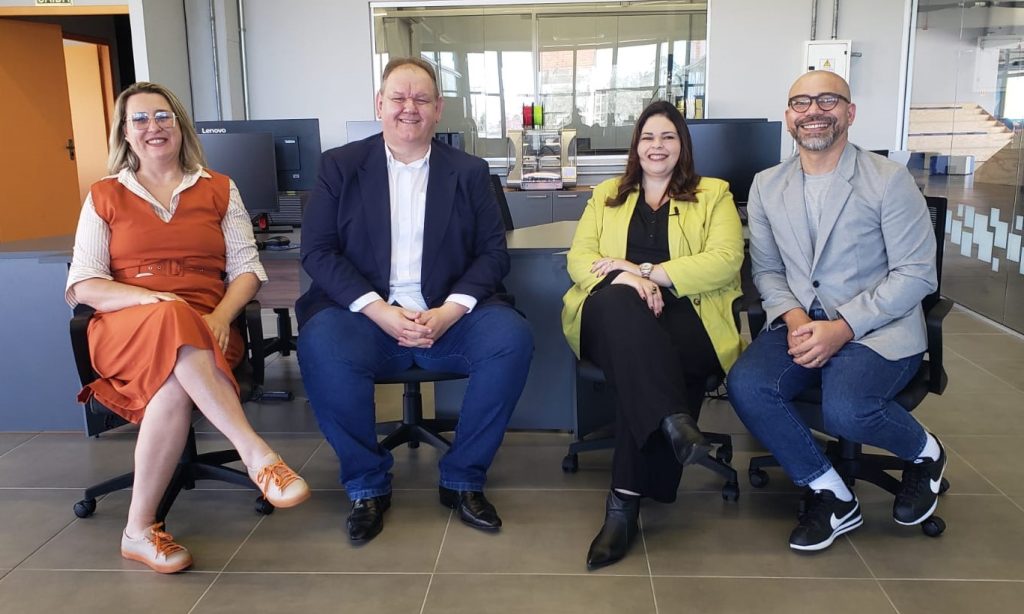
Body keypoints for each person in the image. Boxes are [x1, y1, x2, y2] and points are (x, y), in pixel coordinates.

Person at [66, 82, 310, 574]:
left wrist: (220, 317)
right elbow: (84, 285)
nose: (153, 127)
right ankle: (256, 454)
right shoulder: (104, 196)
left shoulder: (219, 188)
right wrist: (150, 299)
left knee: (175, 379)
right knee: (172, 315)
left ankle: (138, 531)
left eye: (163, 116)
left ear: (179, 125)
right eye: (140, 119)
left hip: (207, 331)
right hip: (125, 329)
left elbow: (247, 270)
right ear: (125, 133)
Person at [297, 57, 533, 544]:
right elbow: (318, 252)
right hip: (365, 318)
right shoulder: (340, 166)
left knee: (511, 337)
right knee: (322, 342)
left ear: (438, 109)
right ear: (379, 104)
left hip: (448, 316)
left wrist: (449, 311)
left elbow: (493, 254)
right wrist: (379, 310)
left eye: (421, 99)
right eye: (399, 98)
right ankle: (366, 485)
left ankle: (463, 478)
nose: (410, 107)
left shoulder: (469, 172)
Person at [726, 70, 944, 552]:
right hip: (802, 322)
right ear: (789, 117)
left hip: (877, 327)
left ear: (849, 112)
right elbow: (767, 271)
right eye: (801, 103)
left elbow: (916, 274)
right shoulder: (766, 185)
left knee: (845, 410)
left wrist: (843, 328)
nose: (813, 111)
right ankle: (831, 492)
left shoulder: (888, 180)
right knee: (747, 385)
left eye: (827, 100)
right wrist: (796, 319)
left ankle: (926, 452)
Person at [561, 100, 745, 570]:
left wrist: (647, 272)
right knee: (623, 311)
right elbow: (580, 259)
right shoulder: (607, 194)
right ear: (636, 146)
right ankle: (673, 422)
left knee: (642, 368)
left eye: (667, 137)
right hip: (612, 313)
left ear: (682, 145)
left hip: (689, 314)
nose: (656, 146)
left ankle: (622, 506)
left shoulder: (714, 194)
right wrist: (627, 280)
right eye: (648, 137)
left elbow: (726, 259)